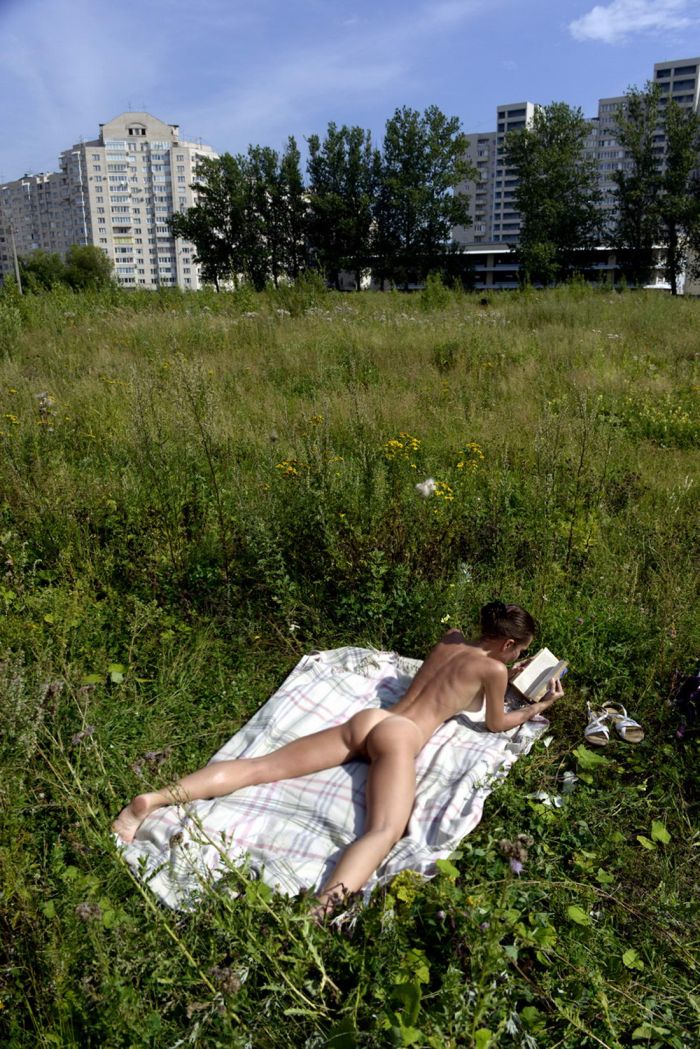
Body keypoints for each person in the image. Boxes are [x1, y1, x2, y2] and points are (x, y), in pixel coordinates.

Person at [112, 601, 564, 915]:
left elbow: (456, 676)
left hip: (371, 720)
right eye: (520, 651)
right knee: (384, 831)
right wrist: (537, 706)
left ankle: (153, 800)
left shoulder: (450, 639)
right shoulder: (494, 669)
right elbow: (495, 723)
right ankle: (319, 911)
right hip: (400, 738)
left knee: (261, 767)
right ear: (509, 646)